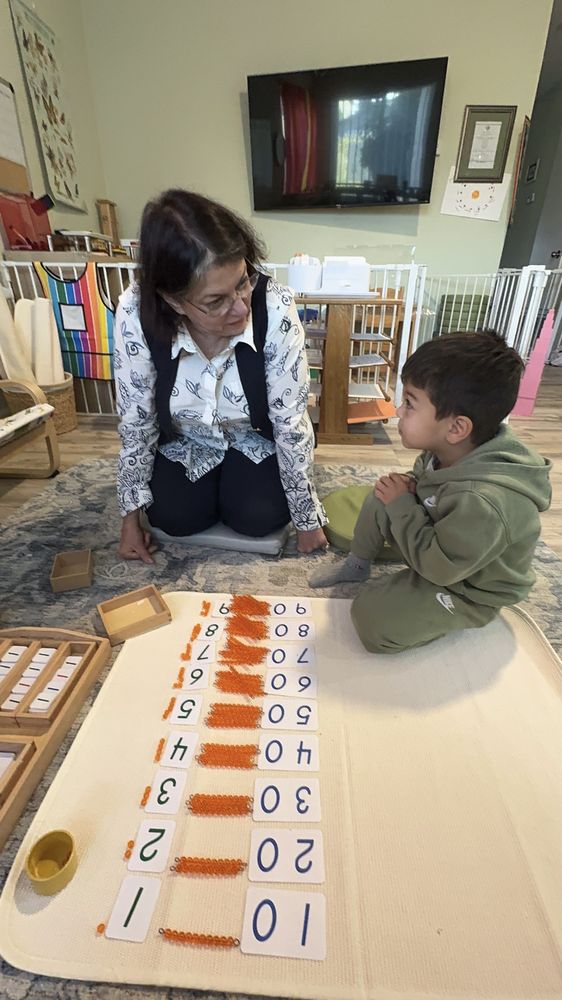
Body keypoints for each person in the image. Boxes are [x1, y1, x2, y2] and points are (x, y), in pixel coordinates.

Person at [113, 189, 328, 563]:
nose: (240, 307)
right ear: (172, 299)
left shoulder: (274, 305)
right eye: (216, 301)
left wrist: (307, 520)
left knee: (259, 517)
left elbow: (290, 421)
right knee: (173, 518)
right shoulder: (136, 311)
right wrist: (129, 519)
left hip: (253, 438)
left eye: (243, 283)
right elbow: (136, 421)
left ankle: (242, 488)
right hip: (186, 440)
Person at [310, 330, 552, 653]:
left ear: (456, 428)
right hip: (445, 543)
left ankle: (446, 604)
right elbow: (424, 482)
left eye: (409, 403)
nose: (398, 411)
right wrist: (404, 494)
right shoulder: (449, 449)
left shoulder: (483, 503)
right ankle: (358, 565)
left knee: (369, 619)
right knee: (382, 495)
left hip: (469, 585)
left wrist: (404, 509)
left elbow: (442, 569)